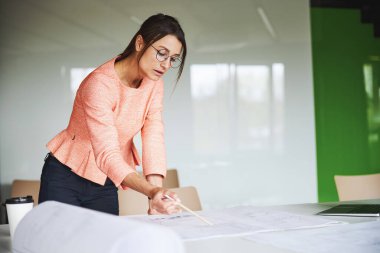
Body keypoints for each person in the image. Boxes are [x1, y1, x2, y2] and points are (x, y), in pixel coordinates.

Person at [38, 13, 187, 216]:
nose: (166, 65)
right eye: (162, 53)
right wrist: (152, 191)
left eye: (173, 59)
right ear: (140, 42)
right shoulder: (99, 84)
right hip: (65, 177)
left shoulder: (154, 83)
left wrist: (155, 194)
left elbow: (153, 136)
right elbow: (107, 153)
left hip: (105, 179)